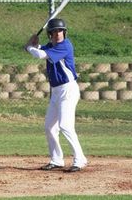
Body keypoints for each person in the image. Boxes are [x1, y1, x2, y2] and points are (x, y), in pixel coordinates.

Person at [24, 18, 88, 172]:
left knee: (65, 125)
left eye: (60, 31)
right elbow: (41, 49)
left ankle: (80, 159)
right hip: (56, 92)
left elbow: (40, 55)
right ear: (50, 34)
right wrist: (33, 44)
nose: (57, 33)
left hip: (68, 90)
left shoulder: (65, 45)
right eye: (54, 31)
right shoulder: (51, 46)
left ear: (64, 32)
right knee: (49, 127)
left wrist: (28, 48)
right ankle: (57, 159)